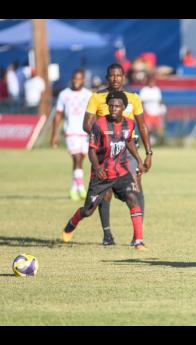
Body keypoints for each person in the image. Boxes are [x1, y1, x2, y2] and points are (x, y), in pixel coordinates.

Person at [62, 91, 147, 251]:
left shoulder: (129, 124)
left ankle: (138, 241)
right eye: (111, 106)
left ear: (124, 108)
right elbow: (92, 150)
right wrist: (97, 167)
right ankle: (72, 223)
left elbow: (128, 141)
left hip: (121, 172)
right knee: (88, 211)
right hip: (102, 175)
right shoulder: (99, 124)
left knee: (133, 199)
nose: (113, 109)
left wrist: (139, 159)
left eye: (117, 106)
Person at [83, 63, 152, 246]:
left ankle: (137, 237)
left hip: (128, 150)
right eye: (112, 76)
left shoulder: (133, 98)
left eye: (119, 75)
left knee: (136, 188)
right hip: (104, 152)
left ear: (124, 77)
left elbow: (142, 126)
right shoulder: (97, 97)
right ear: (107, 77)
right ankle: (107, 235)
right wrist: (105, 136)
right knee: (105, 193)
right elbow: (87, 124)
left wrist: (148, 152)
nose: (116, 79)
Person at [51, 69, 93, 200]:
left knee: (81, 159)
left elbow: (93, 113)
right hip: (71, 131)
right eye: (75, 79)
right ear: (71, 79)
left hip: (85, 132)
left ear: (83, 80)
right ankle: (81, 189)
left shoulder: (88, 94)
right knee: (77, 158)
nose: (76, 81)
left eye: (79, 79)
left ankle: (73, 190)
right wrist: (54, 134)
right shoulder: (64, 94)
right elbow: (58, 114)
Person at [139, 74, 166, 144]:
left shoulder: (157, 90)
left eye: (153, 81)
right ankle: (147, 142)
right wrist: (144, 112)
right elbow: (142, 103)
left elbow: (160, 101)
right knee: (148, 129)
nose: (152, 83)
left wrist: (161, 109)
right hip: (148, 113)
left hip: (156, 113)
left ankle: (160, 142)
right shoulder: (144, 90)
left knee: (160, 129)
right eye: (150, 81)